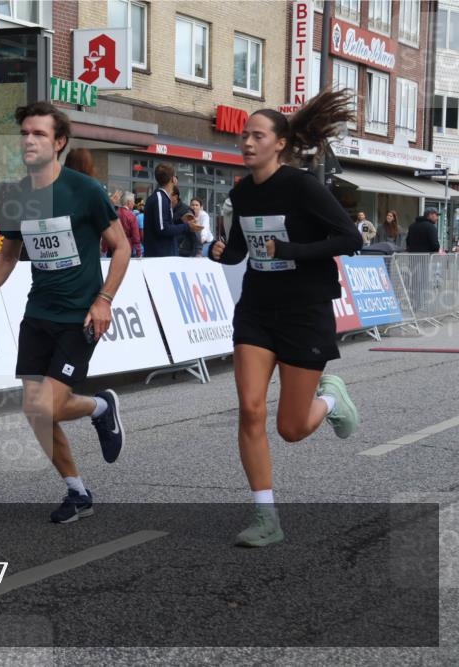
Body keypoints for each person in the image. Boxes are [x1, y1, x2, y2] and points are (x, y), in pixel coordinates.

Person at [0, 101, 131, 524]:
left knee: (48, 406)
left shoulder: (84, 191)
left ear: (59, 143)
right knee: (34, 411)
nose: (29, 140)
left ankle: (100, 408)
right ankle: (77, 491)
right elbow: (10, 254)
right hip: (38, 313)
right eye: (24, 133)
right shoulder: (16, 194)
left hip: (81, 316)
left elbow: (122, 247)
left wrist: (104, 299)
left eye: (39, 134)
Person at [209, 89, 363, 547]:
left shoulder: (302, 187)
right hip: (257, 310)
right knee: (250, 409)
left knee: (291, 429)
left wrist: (294, 251)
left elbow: (350, 238)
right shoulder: (242, 192)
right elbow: (240, 249)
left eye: (257, 135)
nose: (247, 143)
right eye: (244, 135)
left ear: (279, 143)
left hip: (304, 311)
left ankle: (332, 399)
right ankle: (265, 517)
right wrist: (222, 252)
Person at [143, 163, 203, 257]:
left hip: (162, 255)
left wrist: (181, 221)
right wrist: (187, 226)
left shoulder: (161, 197)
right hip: (160, 256)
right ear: (173, 179)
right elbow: (163, 229)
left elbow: (162, 225)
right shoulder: (160, 198)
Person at [173, 189, 202, 258]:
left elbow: (195, 233)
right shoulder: (173, 210)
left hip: (186, 254)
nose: (194, 207)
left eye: (196, 205)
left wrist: (198, 252)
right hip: (177, 251)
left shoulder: (186, 211)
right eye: (192, 205)